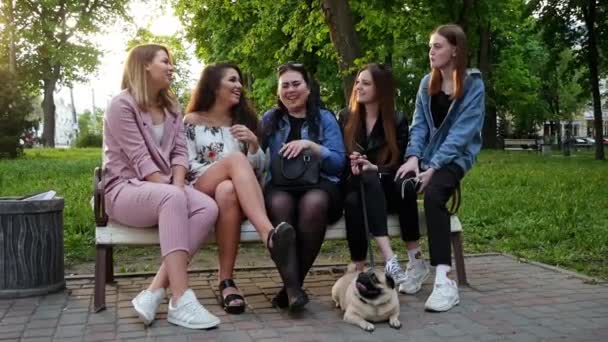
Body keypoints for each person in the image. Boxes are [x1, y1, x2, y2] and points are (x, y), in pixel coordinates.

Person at [103, 44, 220, 329]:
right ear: (144, 65)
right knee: (172, 199)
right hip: (124, 190)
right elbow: (140, 159)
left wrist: (179, 186)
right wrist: (174, 193)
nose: (171, 67)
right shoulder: (122, 105)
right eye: (165, 61)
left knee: (207, 206)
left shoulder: (172, 107)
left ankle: (154, 291)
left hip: (164, 188)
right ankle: (180, 299)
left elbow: (180, 153)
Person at [184, 63, 297, 314]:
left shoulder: (243, 122)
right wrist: (224, 166)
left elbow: (259, 169)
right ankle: (269, 235)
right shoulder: (191, 121)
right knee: (234, 162)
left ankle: (226, 282)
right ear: (214, 86)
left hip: (236, 197)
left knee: (227, 189)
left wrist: (255, 145)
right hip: (200, 189)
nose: (239, 86)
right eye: (232, 80)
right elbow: (186, 164)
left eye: (240, 81)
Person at [395, 24, 485, 312]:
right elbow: (419, 125)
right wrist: (412, 158)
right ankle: (416, 262)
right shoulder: (426, 83)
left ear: (455, 50)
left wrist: (433, 167)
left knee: (433, 195)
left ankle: (445, 281)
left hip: (456, 158)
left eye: (437, 46)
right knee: (402, 184)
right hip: (426, 156)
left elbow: (461, 134)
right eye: (430, 47)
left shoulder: (473, 85)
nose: (431, 52)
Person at [261, 62, 346, 311]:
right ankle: (293, 290)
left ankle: (290, 286)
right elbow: (256, 160)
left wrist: (313, 147)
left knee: (314, 204)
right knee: (279, 205)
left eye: (296, 84)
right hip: (280, 185)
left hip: (319, 184)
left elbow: (339, 164)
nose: (290, 90)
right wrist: (252, 145)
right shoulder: (270, 119)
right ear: (278, 92)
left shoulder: (325, 118)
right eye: (284, 85)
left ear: (308, 88)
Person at [338, 63, 410, 284]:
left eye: (366, 83)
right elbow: (337, 158)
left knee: (356, 199)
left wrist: (375, 168)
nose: (358, 87)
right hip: (352, 183)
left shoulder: (397, 120)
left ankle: (359, 266)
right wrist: (353, 163)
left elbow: (399, 165)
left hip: (385, 191)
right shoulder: (344, 117)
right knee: (354, 194)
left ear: (381, 89)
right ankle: (389, 258)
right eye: (358, 82)